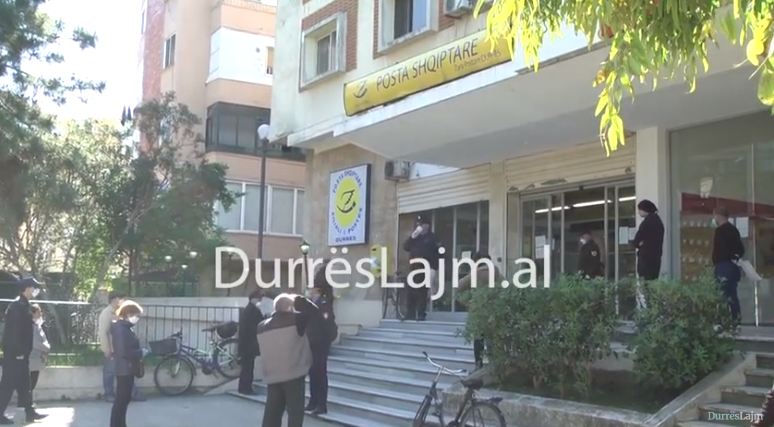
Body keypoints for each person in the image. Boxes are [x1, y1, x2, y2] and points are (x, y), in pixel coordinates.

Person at [256, 294, 314, 427]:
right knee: (295, 413)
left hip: (272, 375)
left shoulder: (261, 326)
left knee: (272, 412)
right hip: (294, 373)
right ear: (290, 308)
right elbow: (313, 315)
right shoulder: (297, 320)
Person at [0, 277, 46, 424]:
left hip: (22, 354)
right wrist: (19, 352)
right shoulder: (17, 307)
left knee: (25, 385)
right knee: (7, 385)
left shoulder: (24, 305)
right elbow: (14, 332)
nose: (36, 290)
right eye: (34, 287)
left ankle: (30, 412)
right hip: (15, 354)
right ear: (27, 288)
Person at [457, 252, 503, 369]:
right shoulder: (497, 273)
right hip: (494, 310)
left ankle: (479, 365)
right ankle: (494, 366)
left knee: (478, 340)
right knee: (492, 340)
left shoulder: (475, 273)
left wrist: (468, 303)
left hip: (478, 311)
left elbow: (459, 286)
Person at [110, 300, 148, 427]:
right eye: (136, 315)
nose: (138, 318)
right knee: (121, 400)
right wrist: (140, 352)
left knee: (123, 400)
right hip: (125, 369)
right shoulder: (122, 330)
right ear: (128, 314)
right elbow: (124, 352)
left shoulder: (124, 328)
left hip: (126, 368)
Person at [300, 286, 337, 415]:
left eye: (310, 289)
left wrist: (326, 340)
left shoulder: (323, 304)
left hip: (320, 344)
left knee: (320, 374)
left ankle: (321, 404)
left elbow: (328, 323)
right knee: (313, 373)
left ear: (317, 290)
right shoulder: (310, 305)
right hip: (311, 343)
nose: (308, 291)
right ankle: (313, 401)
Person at [403, 216, 441, 321]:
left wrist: (434, 268)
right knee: (410, 291)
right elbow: (405, 247)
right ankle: (410, 314)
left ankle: (421, 314)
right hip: (414, 268)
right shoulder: (415, 237)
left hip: (426, 268)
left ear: (427, 225)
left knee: (422, 292)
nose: (419, 226)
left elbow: (439, 253)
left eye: (421, 224)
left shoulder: (432, 238)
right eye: (418, 224)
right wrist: (412, 237)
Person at [712, 206, 745, 324]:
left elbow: (719, 250)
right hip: (732, 266)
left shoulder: (720, 231)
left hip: (722, 266)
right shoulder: (734, 230)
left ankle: (723, 321)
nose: (714, 218)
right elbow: (741, 249)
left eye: (715, 215)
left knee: (722, 294)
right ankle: (736, 319)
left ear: (718, 216)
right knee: (732, 294)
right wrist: (734, 257)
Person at [632, 199, 665, 309]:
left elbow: (636, 241)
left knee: (645, 288)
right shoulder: (659, 222)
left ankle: (648, 310)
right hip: (656, 259)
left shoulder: (646, 223)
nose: (639, 212)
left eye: (639, 210)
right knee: (653, 286)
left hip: (645, 259)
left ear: (645, 209)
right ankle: (654, 309)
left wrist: (640, 244)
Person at [238, 289, 264, 395]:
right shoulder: (253, 310)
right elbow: (257, 325)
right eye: (258, 299)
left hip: (245, 343)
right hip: (250, 344)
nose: (259, 301)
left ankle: (243, 387)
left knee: (246, 367)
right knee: (248, 367)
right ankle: (246, 388)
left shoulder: (247, 309)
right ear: (254, 299)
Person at [29, 304, 50, 409]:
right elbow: (35, 343)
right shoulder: (31, 326)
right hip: (32, 359)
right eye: (38, 312)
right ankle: (28, 405)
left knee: (32, 384)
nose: (40, 314)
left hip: (36, 359)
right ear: (32, 313)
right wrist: (46, 348)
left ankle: (29, 404)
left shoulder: (37, 325)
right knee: (31, 384)